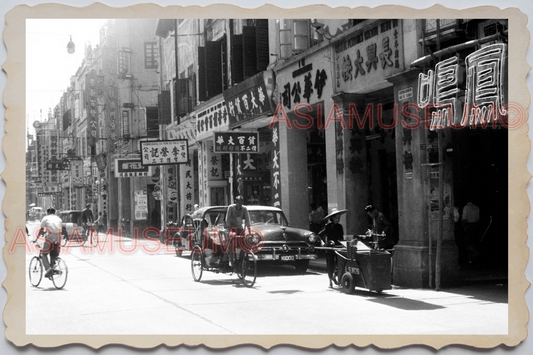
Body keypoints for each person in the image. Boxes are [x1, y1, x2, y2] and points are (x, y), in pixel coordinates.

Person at [318, 207, 346, 288]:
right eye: (337, 217)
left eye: (339, 217)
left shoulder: (340, 226)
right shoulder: (328, 226)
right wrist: (323, 243)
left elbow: (341, 238)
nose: (338, 219)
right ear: (333, 218)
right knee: (330, 264)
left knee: (339, 263)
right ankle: (330, 280)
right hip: (330, 247)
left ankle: (337, 276)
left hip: (338, 247)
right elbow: (319, 235)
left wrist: (343, 245)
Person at [34, 207, 63, 279]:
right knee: (54, 255)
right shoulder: (59, 219)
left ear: (48, 212)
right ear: (55, 212)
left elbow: (41, 230)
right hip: (58, 237)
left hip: (50, 237)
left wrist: (36, 239)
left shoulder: (45, 218)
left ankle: (48, 269)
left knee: (44, 254)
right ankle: (53, 265)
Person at [225, 195, 251, 266]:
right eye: (238, 202)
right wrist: (228, 228)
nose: (239, 204)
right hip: (232, 228)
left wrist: (249, 232)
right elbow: (227, 219)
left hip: (240, 228)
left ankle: (241, 260)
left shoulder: (244, 209)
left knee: (245, 242)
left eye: (241, 202)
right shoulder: (231, 208)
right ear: (235, 202)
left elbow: (247, 221)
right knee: (231, 240)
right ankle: (231, 258)